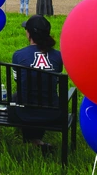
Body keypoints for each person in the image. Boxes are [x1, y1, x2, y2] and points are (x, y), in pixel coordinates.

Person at [11, 15, 63, 155]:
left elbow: (19, 82)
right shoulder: (58, 56)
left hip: (24, 113)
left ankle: (33, 139)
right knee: (40, 97)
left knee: (18, 97)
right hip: (53, 112)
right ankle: (36, 140)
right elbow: (55, 82)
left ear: (29, 33)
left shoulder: (18, 55)